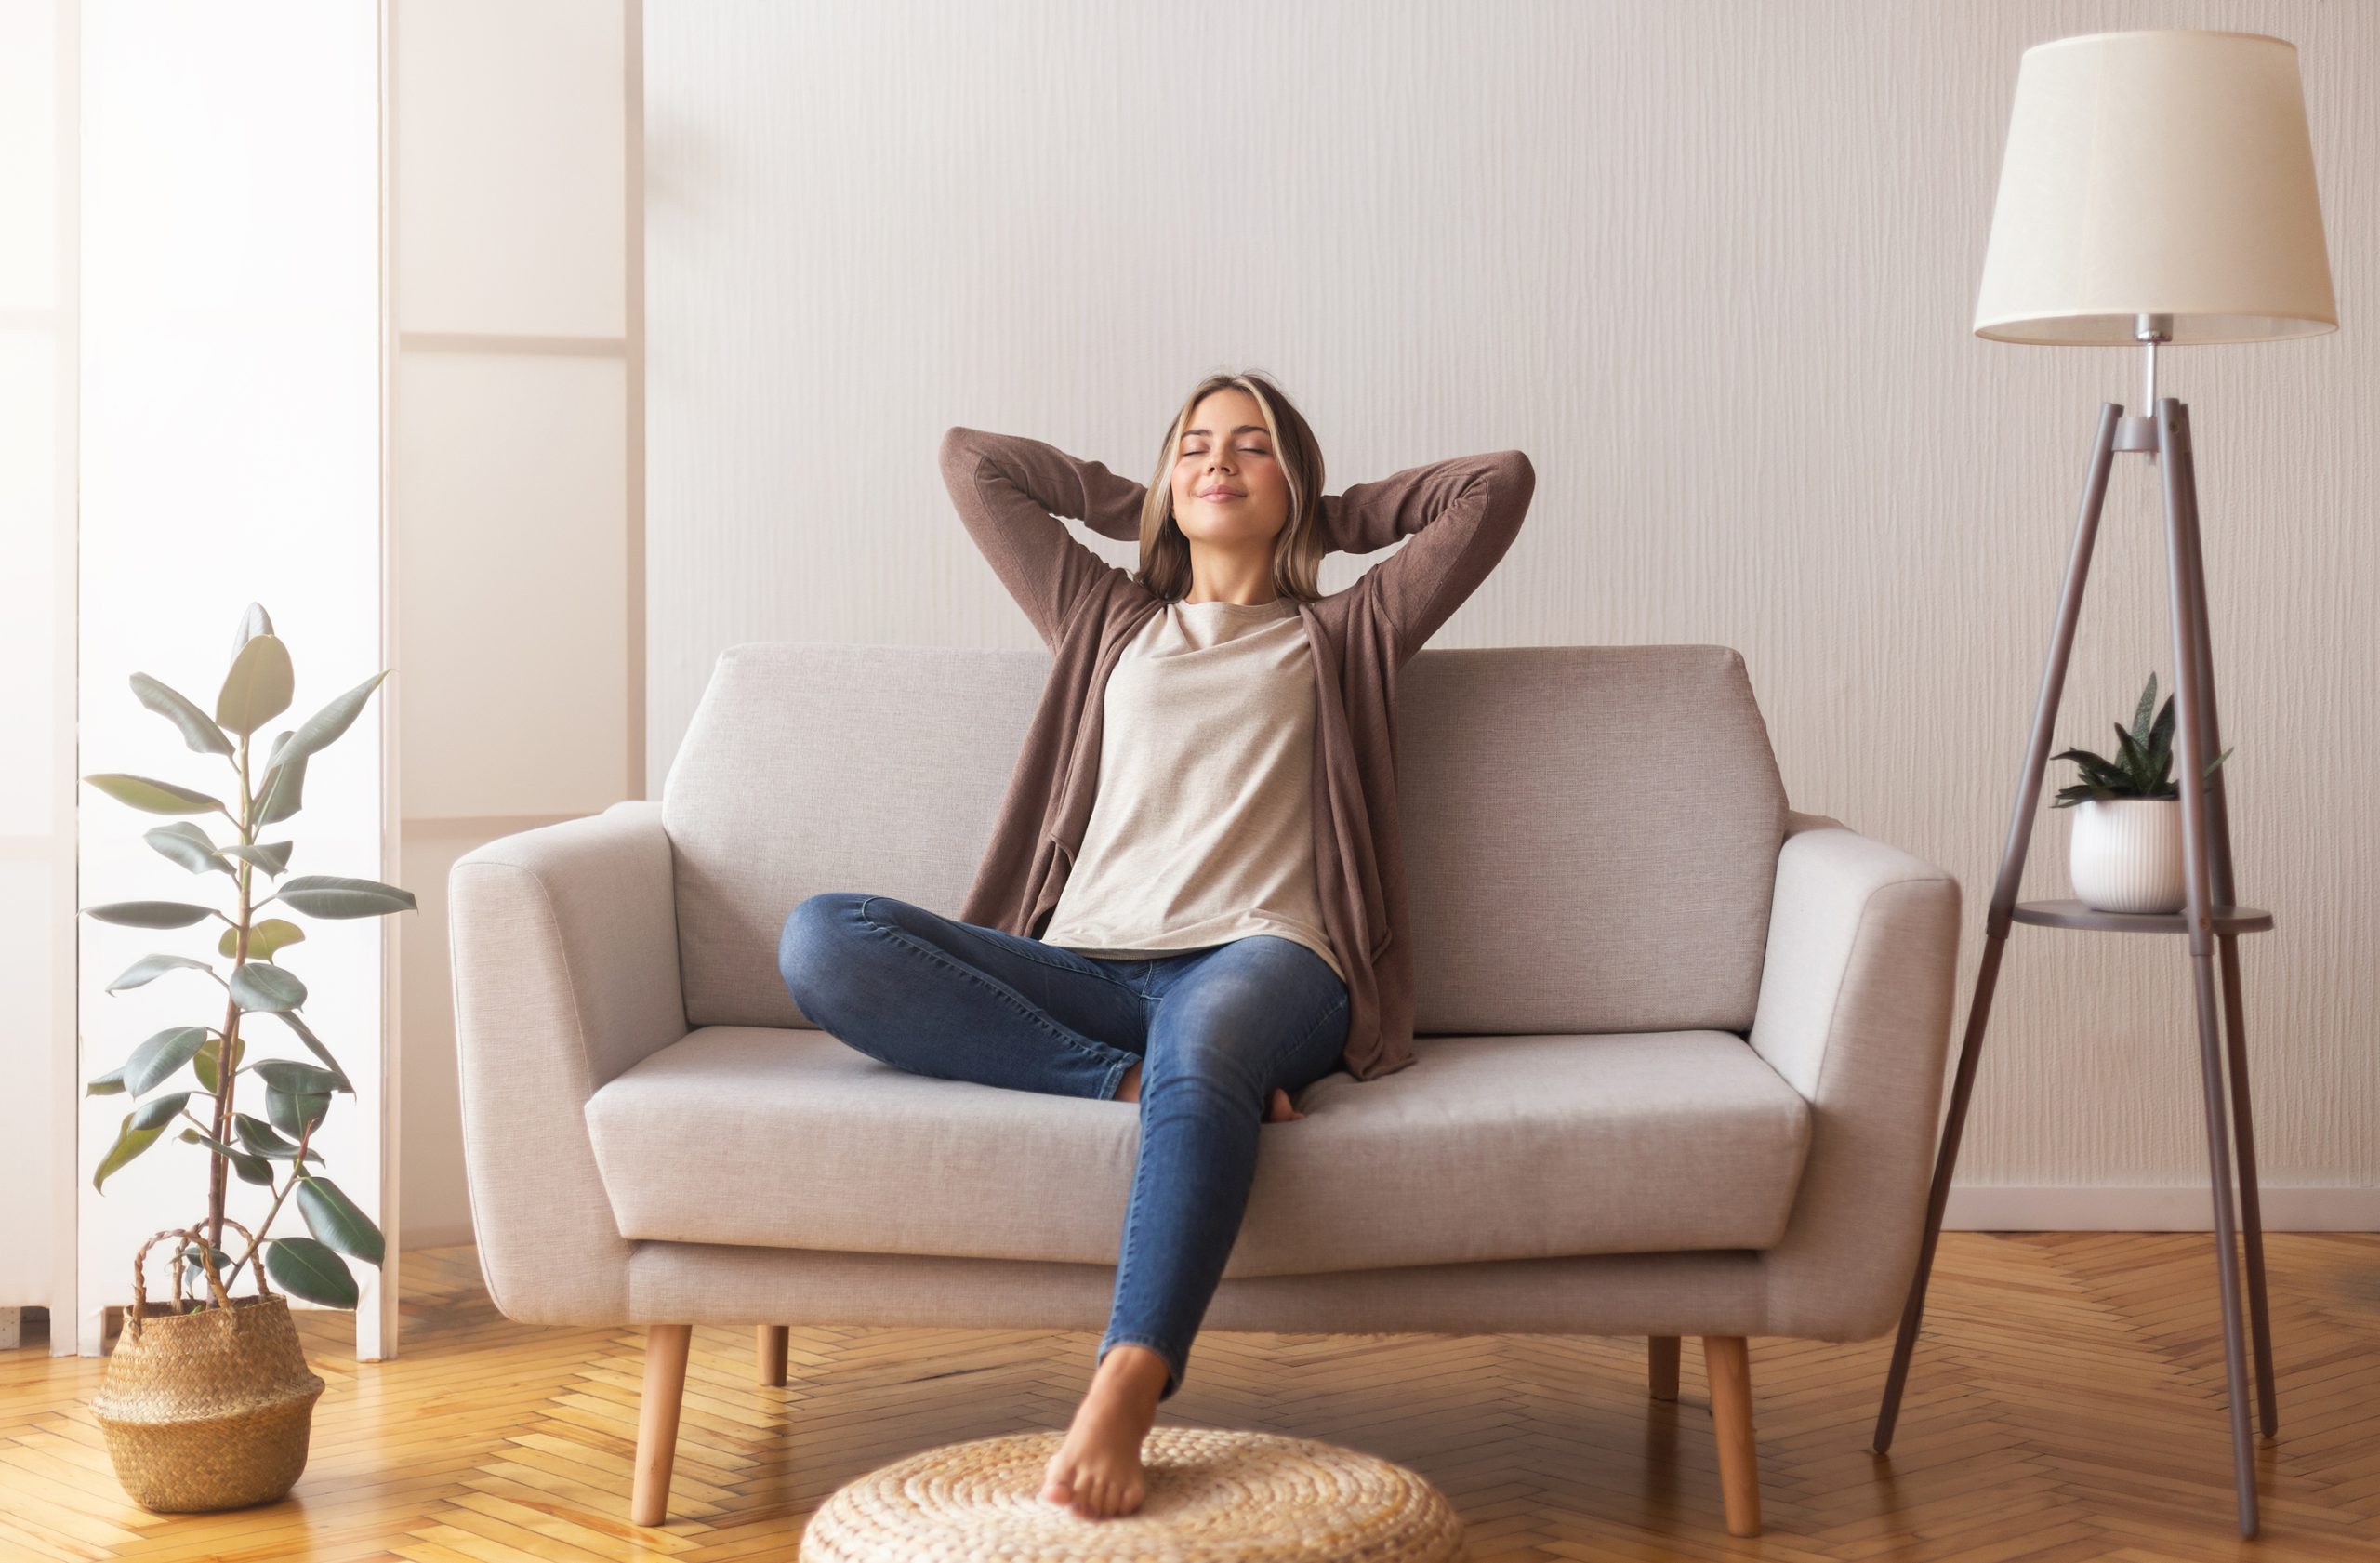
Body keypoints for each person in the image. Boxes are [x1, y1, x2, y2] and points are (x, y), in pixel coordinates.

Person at [776, 369, 1535, 1520]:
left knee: (1210, 1038)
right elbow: (975, 461)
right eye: (1195, 446)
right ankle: (1126, 1080)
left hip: (1266, 957)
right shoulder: (1106, 619)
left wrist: (1326, 513)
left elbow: (1496, 485)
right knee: (826, 936)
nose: (1218, 462)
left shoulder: (1349, 630)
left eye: (1251, 446)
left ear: (1295, 481)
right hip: (1085, 968)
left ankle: (1127, 1383)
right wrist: (1151, 504)